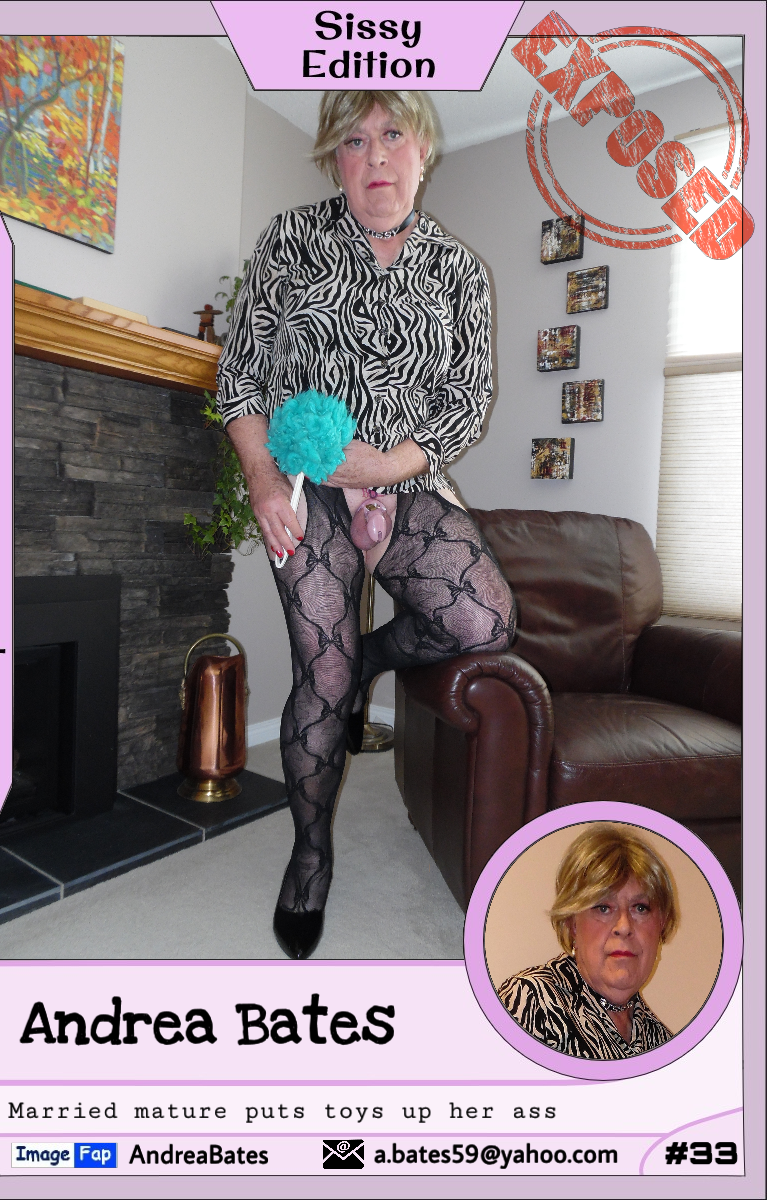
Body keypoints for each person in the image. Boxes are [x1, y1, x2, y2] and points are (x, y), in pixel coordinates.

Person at [216, 91, 516, 959]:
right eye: (354, 140)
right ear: (335, 160)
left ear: (423, 151)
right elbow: (241, 378)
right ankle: (310, 857)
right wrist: (264, 484)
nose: (375, 155)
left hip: (404, 475)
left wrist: (385, 470)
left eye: (392, 134)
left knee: (486, 620)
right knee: (323, 668)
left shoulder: (460, 271)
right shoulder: (290, 239)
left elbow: (465, 401)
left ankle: (372, 663)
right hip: (304, 483)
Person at [496, 825, 678, 1059]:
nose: (624, 927)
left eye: (640, 908)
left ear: (661, 923)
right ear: (572, 922)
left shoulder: (662, 1041)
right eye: (603, 907)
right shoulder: (532, 1002)